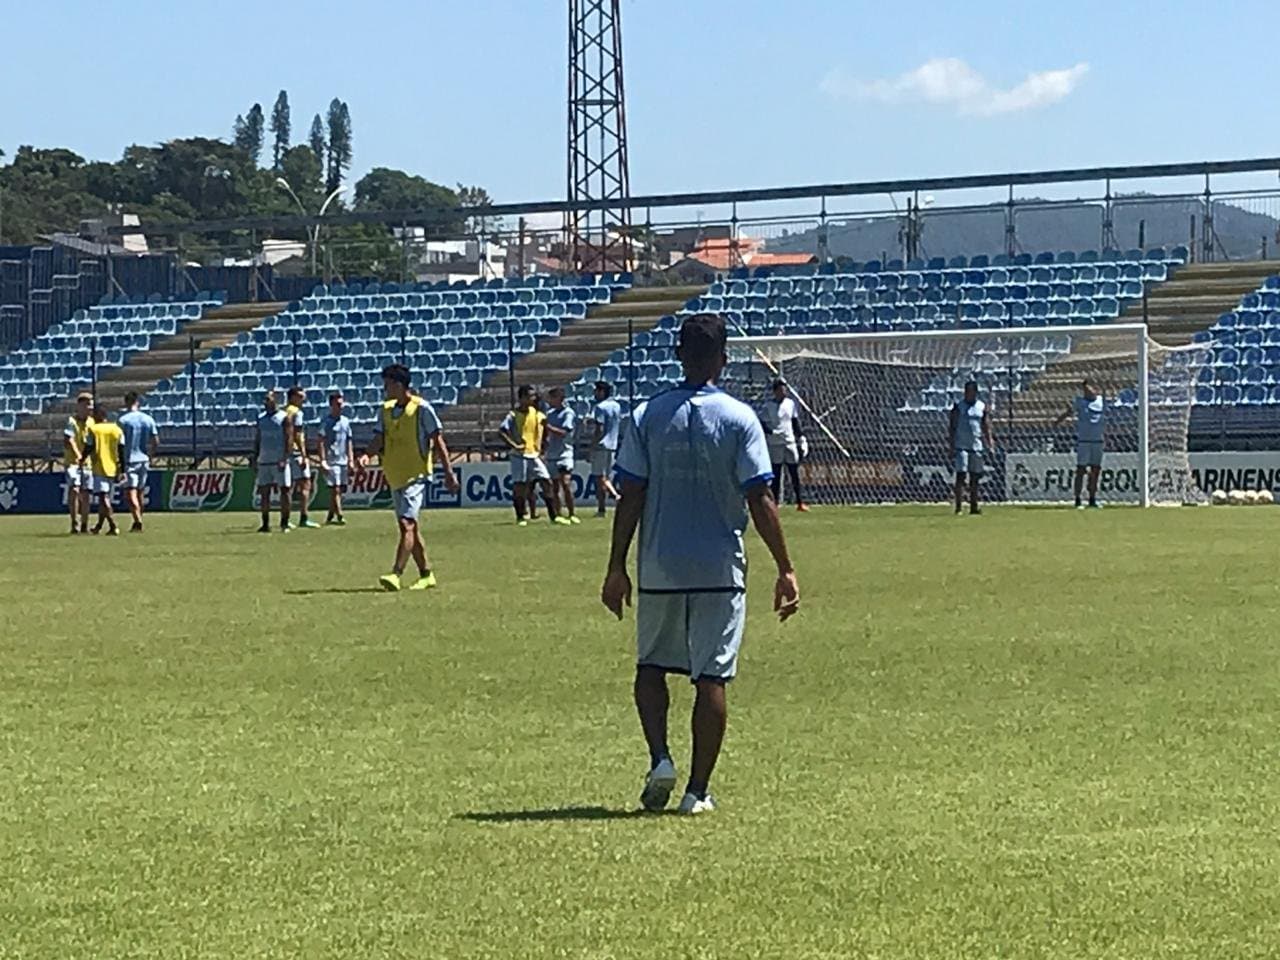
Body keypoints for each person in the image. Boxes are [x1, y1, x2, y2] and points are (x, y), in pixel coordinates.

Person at [602, 314, 800, 817]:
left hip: (660, 565)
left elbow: (631, 494)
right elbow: (761, 496)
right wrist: (785, 567)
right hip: (719, 568)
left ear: (677, 354)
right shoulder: (739, 419)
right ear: (724, 358)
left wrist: (616, 566)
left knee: (650, 666)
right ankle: (697, 791)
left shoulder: (647, 415)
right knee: (711, 677)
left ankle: (660, 758)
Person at [357, 363, 459, 591]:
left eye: (388, 385)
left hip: (417, 475)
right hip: (395, 475)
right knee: (411, 528)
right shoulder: (385, 410)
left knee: (407, 524)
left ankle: (396, 573)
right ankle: (426, 574)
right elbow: (379, 438)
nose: (385, 390)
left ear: (399, 385)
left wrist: (448, 472)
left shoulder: (422, 409)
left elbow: (438, 441)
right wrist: (366, 456)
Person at [499, 385, 563, 527]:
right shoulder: (513, 415)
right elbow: (501, 431)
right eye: (529, 396)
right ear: (521, 398)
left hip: (533, 454)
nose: (533, 399)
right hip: (519, 455)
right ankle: (520, 516)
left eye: (533, 396)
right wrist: (514, 445)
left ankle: (554, 516)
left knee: (546, 481)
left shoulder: (536, 413)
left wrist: (543, 444)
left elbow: (543, 427)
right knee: (520, 486)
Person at [1054, 379, 1105, 509]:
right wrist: (1058, 421)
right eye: (1085, 389)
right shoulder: (1080, 402)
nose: (1088, 391)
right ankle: (1077, 499)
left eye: (1089, 388)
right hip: (1084, 441)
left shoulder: (1101, 401)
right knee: (1081, 470)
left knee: (1095, 470)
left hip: (1098, 441)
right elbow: (1069, 413)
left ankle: (1092, 499)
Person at [760, 379, 809, 512]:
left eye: (784, 389)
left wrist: (801, 437)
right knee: (776, 473)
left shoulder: (790, 404)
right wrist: (771, 432)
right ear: (775, 391)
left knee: (794, 472)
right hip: (775, 443)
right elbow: (762, 423)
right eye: (781, 389)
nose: (783, 392)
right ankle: (774, 503)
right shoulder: (768, 406)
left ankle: (800, 502)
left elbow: (794, 421)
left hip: (789, 442)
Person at [949, 380, 994, 516]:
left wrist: (990, 443)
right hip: (961, 446)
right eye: (967, 392)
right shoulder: (959, 407)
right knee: (961, 475)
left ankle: (974, 506)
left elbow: (986, 426)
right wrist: (951, 445)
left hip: (976, 447)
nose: (969, 394)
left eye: (971, 392)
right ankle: (958, 507)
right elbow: (952, 426)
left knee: (975, 478)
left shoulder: (981, 407)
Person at [118, 391, 159, 532]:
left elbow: (119, 443)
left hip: (129, 460)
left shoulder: (123, 421)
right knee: (140, 491)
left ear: (126, 403)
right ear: (138, 402)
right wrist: (150, 454)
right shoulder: (148, 419)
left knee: (130, 492)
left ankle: (137, 520)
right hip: (143, 459)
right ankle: (139, 519)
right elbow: (155, 440)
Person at [252, 391, 291, 533]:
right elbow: (258, 438)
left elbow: (289, 439)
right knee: (264, 492)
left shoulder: (284, 418)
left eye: (268, 399)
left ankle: (284, 523)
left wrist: (285, 458)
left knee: (285, 491)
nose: (265, 401)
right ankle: (265, 523)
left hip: (279, 460)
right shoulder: (260, 418)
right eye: (265, 399)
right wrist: (255, 457)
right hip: (264, 460)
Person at [83, 404, 124, 536]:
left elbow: (89, 446)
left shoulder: (93, 429)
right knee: (104, 497)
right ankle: (99, 526)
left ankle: (113, 525)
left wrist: (82, 458)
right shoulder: (116, 429)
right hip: (112, 467)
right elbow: (122, 449)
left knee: (103, 497)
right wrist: (122, 468)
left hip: (99, 466)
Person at [317, 392, 355, 525]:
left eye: (342, 403)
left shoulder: (345, 421)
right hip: (331, 460)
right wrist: (322, 460)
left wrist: (351, 460)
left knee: (340, 489)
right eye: (338, 404)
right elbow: (320, 441)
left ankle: (330, 515)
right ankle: (340, 515)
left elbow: (349, 442)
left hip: (343, 460)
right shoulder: (326, 422)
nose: (341, 406)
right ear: (331, 405)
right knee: (335, 489)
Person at [544, 386, 580, 524]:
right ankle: (558, 514)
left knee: (566, 483)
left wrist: (548, 427)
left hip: (564, 453)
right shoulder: (550, 413)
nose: (550, 401)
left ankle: (572, 513)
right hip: (552, 453)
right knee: (555, 486)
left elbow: (564, 432)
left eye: (552, 398)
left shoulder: (568, 413)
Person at [284, 386, 319, 528]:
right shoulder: (297, 413)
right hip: (296, 452)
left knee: (288, 487)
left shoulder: (284, 411)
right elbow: (297, 434)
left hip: (286, 452)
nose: (303, 399)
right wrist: (304, 455)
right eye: (300, 396)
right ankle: (304, 517)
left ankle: (285, 519)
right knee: (305, 484)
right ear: (292, 397)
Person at [63, 391, 95, 534]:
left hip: (87, 463)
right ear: (80, 406)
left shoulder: (91, 422)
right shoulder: (71, 422)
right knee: (74, 490)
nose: (90, 408)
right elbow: (69, 439)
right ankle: (74, 522)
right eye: (87, 405)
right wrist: (78, 455)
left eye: (91, 405)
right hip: (73, 463)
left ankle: (84, 524)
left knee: (86, 493)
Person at [590, 381, 622, 517]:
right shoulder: (617, 405)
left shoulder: (600, 407)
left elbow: (600, 428)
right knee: (605, 477)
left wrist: (592, 445)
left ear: (602, 392)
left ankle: (614, 497)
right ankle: (602, 508)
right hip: (612, 445)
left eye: (596, 391)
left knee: (599, 477)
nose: (595, 394)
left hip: (601, 445)